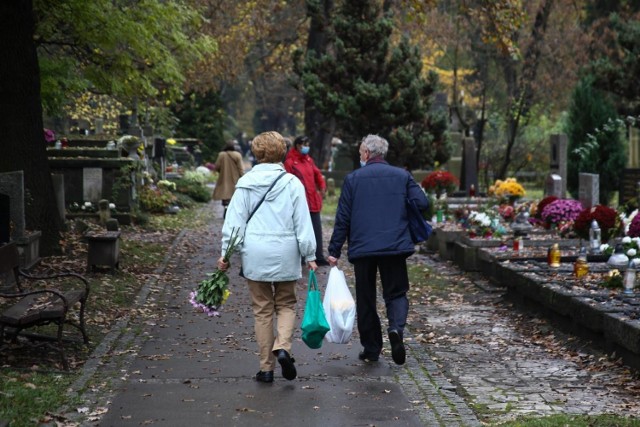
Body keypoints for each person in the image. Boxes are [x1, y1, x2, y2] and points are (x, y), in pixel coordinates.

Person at [217, 131, 318, 383]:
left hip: (256, 252)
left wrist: (226, 253)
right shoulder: (292, 183)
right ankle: (283, 347)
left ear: (256, 153)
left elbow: (235, 224)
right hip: (285, 252)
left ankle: (266, 369)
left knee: (262, 310)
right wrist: (310, 254)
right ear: (282, 152)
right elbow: (303, 223)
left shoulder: (245, 184)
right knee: (286, 304)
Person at [327, 134, 429, 366]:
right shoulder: (402, 176)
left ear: (366, 154)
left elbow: (343, 217)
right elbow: (422, 204)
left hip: (364, 248)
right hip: (394, 246)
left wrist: (334, 250)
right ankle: (396, 329)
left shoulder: (353, 179)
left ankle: (371, 348)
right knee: (396, 292)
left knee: (366, 297)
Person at [284, 135, 329, 266]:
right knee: (300, 230)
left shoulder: (308, 160)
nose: (306, 147)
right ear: (297, 145)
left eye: (308, 144)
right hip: (299, 202)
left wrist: (322, 187)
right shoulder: (290, 162)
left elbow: (317, 174)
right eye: (304, 144)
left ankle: (318, 256)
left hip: (312, 200)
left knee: (316, 229)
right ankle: (302, 257)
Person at [212, 140, 245, 218]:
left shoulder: (221, 155)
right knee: (233, 194)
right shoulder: (237, 155)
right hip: (235, 178)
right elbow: (240, 168)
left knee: (225, 193)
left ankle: (226, 206)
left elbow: (217, 166)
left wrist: (220, 171)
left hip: (224, 177)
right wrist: (243, 176)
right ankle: (231, 209)